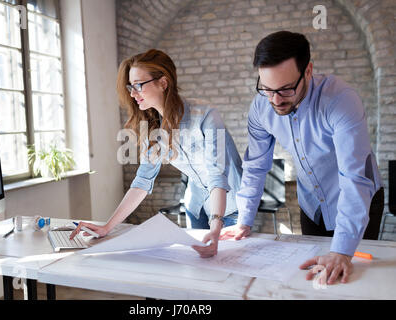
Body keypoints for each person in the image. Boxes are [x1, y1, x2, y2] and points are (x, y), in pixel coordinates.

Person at [223, 31, 384, 284]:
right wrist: (243, 220)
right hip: (312, 204)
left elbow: (354, 177)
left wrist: (342, 251)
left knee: (353, 279)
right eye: (266, 89)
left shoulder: (341, 100)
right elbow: (255, 166)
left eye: (286, 89)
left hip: (358, 198)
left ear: (307, 71)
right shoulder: (260, 107)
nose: (275, 100)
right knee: (313, 278)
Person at [70, 49, 243, 258]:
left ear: (163, 83)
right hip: (196, 206)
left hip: (229, 208)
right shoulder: (152, 127)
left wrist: (216, 229)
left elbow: (217, 176)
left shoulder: (206, 116)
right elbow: (143, 180)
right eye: (130, 87)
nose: (133, 94)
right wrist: (107, 227)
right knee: (198, 271)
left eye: (138, 85)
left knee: (227, 271)